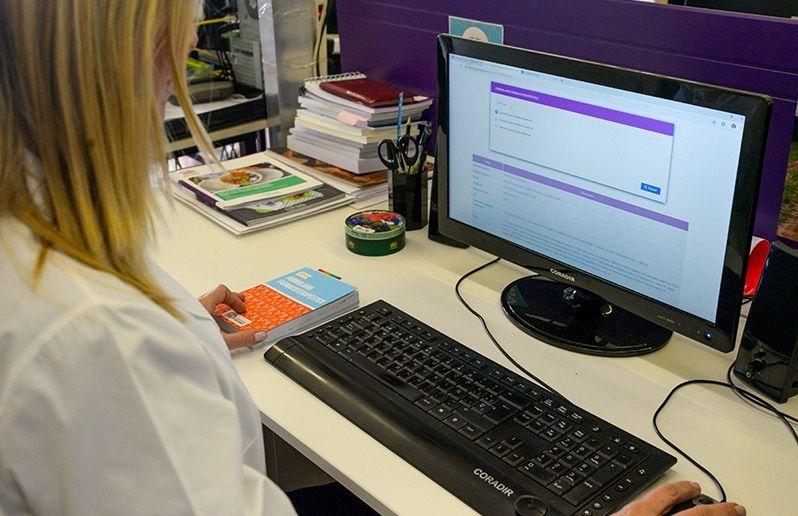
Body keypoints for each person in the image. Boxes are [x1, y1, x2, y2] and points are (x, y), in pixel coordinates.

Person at [0, 1, 745, 515]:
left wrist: (176, 334)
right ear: (118, 59)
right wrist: (140, 351)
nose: (182, 71)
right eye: (179, 47)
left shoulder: (42, 261)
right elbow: (93, 362)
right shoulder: (96, 336)